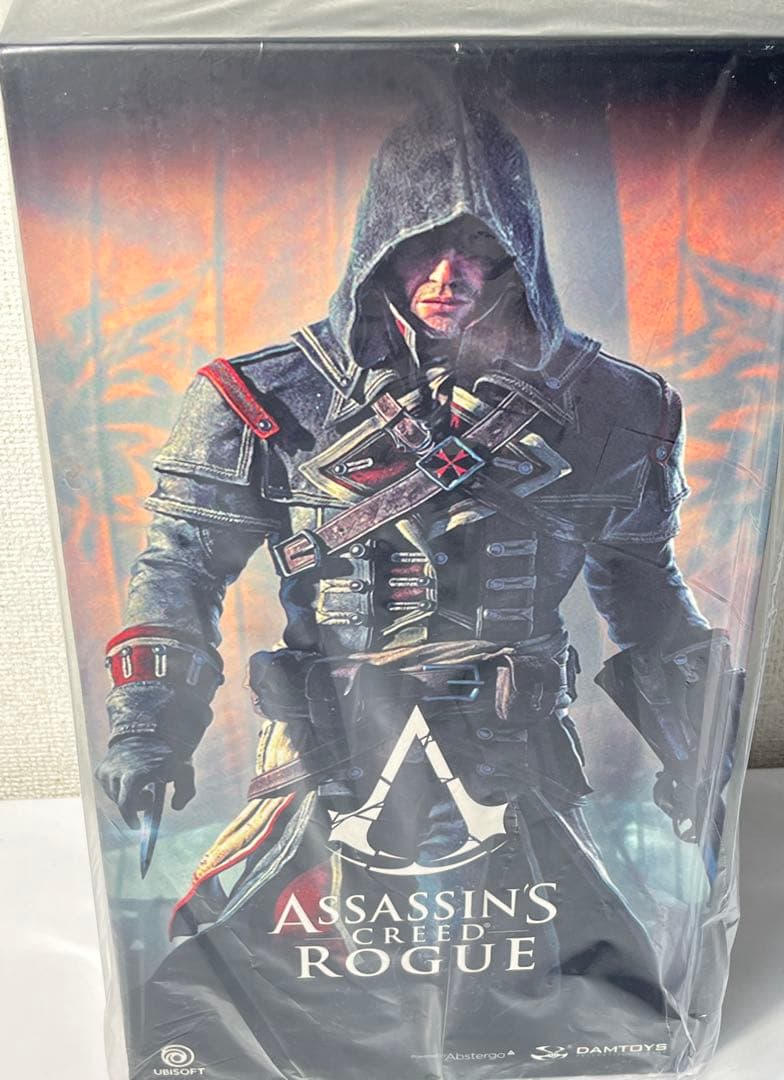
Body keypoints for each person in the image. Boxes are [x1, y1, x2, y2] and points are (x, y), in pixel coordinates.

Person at [96, 104, 740, 1080]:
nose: (448, 277)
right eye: (421, 248)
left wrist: (698, 751)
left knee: (597, 1004)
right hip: (328, 753)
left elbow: (644, 587)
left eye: (476, 250)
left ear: (517, 254)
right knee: (219, 991)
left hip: (515, 749)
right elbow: (181, 567)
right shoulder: (260, 400)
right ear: (377, 252)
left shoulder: (614, 405)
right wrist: (148, 730)